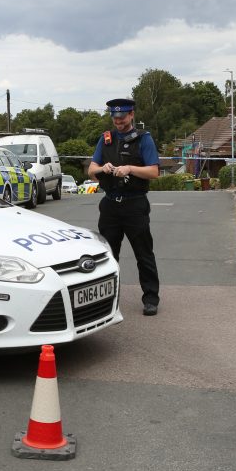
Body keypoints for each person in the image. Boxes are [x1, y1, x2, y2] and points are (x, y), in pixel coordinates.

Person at [88, 98, 161, 316]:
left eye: (122, 118)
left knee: (143, 253)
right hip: (110, 204)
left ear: (131, 115)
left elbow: (154, 172)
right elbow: (91, 170)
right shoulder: (106, 139)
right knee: (109, 255)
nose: (118, 122)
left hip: (135, 203)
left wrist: (130, 168)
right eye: (115, 118)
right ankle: (108, 299)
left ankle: (150, 298)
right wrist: (103, 168)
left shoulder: (144, 139)